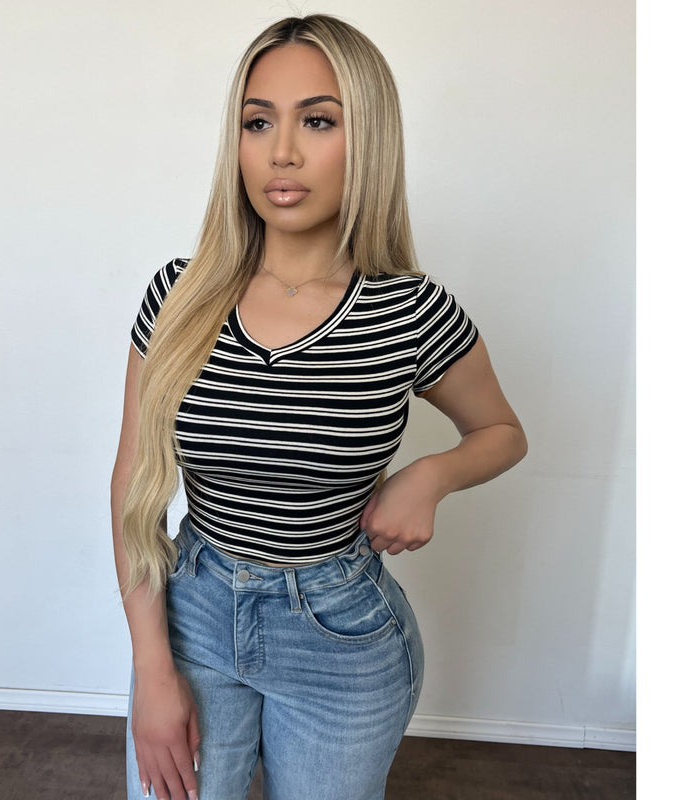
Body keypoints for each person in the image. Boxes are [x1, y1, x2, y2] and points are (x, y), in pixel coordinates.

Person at [111, 14, 527, 800]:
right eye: (258, 122)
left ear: (367, 137)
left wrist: (431, 476)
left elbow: (503, 432)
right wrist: (151, 670)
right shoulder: (176, 296)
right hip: (191, 615)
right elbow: (133, 489)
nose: (283, 152)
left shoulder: (410, 312)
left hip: (341, 635)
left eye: (318, 121)